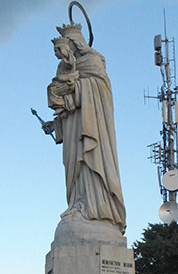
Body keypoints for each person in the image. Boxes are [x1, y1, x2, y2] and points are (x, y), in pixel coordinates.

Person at [46, 22, 126, 234]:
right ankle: (77, 203)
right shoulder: (64, 67)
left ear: (76, 43)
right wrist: (56, 122)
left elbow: (100, 90)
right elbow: (65, 103)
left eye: (68, 45)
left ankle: (98, 208)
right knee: (73, 164)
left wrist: (74, 86)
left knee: (91, 162)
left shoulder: (93, 60)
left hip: (93, 126)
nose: (65, 51)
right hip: (74, 125)